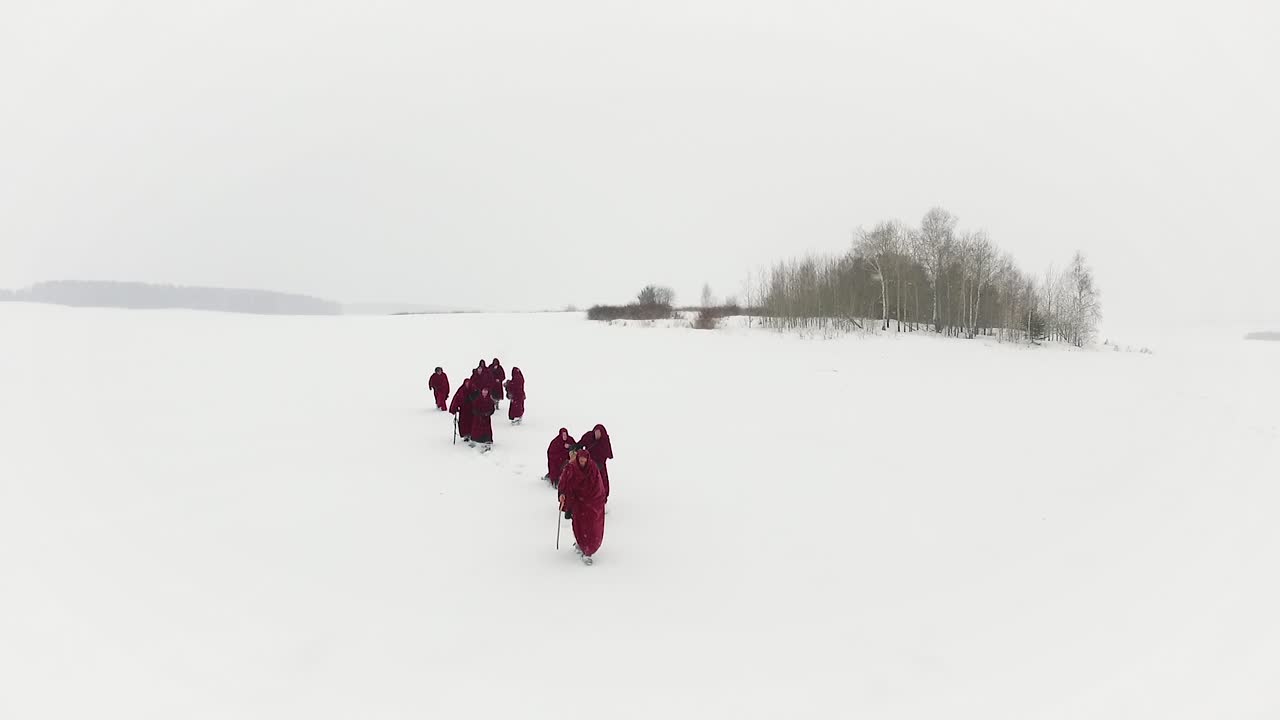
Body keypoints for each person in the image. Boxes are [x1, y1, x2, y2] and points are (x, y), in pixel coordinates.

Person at [558, 448, 606, 565]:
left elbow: (598, 488)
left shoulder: (593, 469)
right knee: (579, 526)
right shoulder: (572, 468)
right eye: (580, 459)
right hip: (578, 504)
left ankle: (588, 550)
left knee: (592, 528)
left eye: (584, 459)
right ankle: (581, 544)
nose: (582, 461)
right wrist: (563, 494)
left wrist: (592, 501)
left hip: (592, 504)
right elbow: (564, 482)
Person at [578, 424, 614, 502]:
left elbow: (608, 454)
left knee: (601, 483)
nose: (597, 434)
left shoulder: (605, 440)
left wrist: (599, 462)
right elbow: (580, 444)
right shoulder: (589, 436)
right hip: (587, 463)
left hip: (600, 466)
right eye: (596, 432)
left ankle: (601, 500)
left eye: (599, 433)